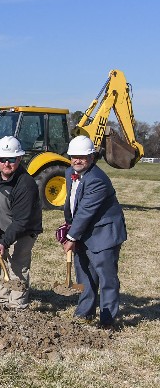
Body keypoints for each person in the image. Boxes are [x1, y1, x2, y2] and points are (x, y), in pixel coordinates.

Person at [61, 135, 127, 327]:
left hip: (104, 234)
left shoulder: (97, 180)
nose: (77, 160)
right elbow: (73, 205)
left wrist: (71, 236)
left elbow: (86, 211)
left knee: (107, 278)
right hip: (84, 232)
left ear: (91, 157)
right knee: (84, 275)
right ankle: (85, 312)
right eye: (74, 156)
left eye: (82, 156)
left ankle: (108, 319)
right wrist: (68, 226)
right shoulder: (68, 173)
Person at [0, 135, 42, 309]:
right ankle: (3, 301)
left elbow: (21, 221)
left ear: (19, 159)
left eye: (11, 159)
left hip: (24, 229)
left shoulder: (25, 184)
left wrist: (4, 242)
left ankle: (17, 305)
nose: (6, 164)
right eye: (2, 159)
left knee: (18, 266)